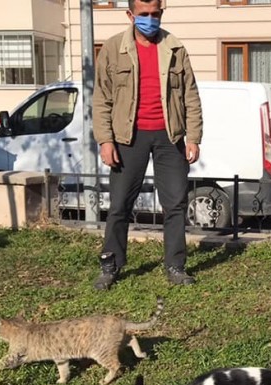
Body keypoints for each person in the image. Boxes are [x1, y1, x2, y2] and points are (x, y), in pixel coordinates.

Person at [92, 0, 202, 290]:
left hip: (170, 137)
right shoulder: (113, 49)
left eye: (155, 14)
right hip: (129, 137)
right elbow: (102, 99)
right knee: (119, 205)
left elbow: (191, 96)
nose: (150, 20)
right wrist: (105, 140)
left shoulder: (175, 48)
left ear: (161, 13)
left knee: (176, 204)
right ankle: (110, 266)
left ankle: (175, 266)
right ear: (130, 15)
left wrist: (194, 137)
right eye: (144, 15)